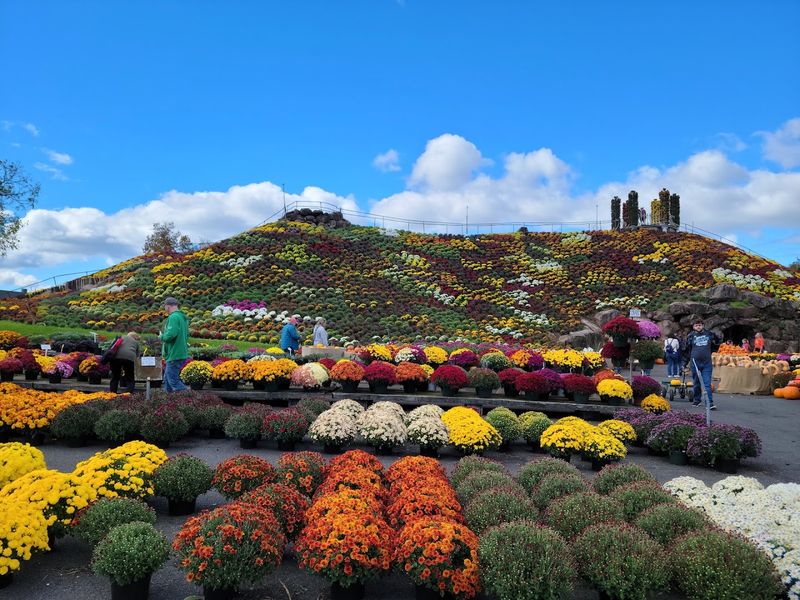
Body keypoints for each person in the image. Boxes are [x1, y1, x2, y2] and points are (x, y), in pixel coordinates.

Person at [684, 318, 720, 410]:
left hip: (706, 363)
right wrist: (684, 364)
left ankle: (709, 403)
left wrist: (711, 351)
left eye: (700, 325)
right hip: (695, 363)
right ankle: (697, 400)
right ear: (693, 327)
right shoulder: (690, 336)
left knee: (707, 383)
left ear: (703, 326)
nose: (698, 327)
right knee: (696, 383)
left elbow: (717, 343)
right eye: (696, 325)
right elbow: (687, 350)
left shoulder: (709, 334)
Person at [159, 297, 189, 392]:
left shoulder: (173, 317)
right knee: (167, 380)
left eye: (164, 306)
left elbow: (170, 335)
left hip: (174, 353)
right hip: (180, 352)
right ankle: (169, 400)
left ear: (167, 306)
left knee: (173, 381)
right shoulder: (182, 317)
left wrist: (162, 336)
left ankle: (189, 397)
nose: (164, 308)